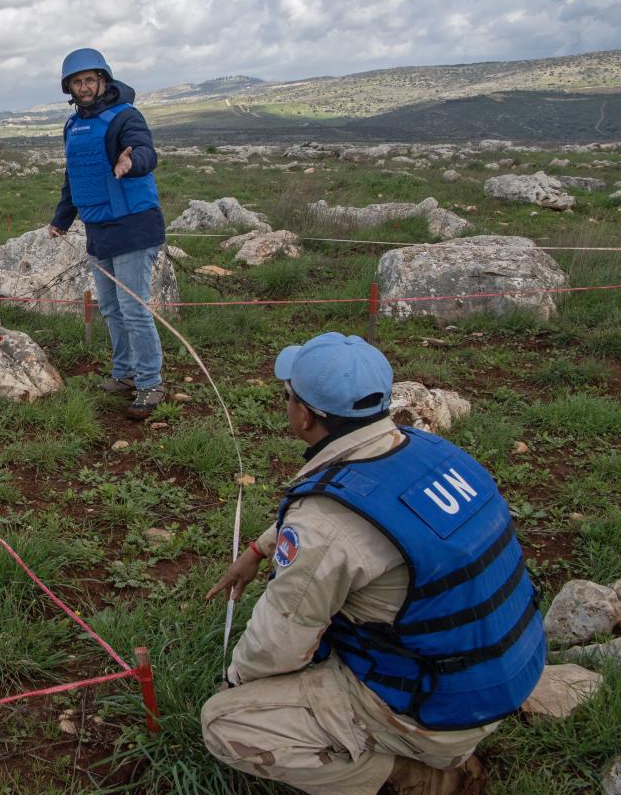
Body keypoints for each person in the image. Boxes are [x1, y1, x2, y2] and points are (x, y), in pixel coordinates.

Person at [200, 333, 546, 795]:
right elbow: (358, 529)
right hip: (508, 668)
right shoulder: (428, 451)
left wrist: (236, 684)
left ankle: (425, 776)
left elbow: (278, 644)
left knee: (226, 724)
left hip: (441, 709)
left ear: (304, 415)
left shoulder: (325, 522)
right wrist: (261, 549)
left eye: (289, 397)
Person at [47, 47, 166, 419]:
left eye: (89, 80)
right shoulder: (72, 126)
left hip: (133, 224)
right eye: (77, 82)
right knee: (112, 309)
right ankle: (125, 373)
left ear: (103, 80)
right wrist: (62, 219)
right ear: (70, 88)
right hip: (98, 228)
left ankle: (151, 382)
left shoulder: (125, 116)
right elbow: (74, 176)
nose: (83, 87)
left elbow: (146, 152)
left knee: (133, 309)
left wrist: (131, 162)